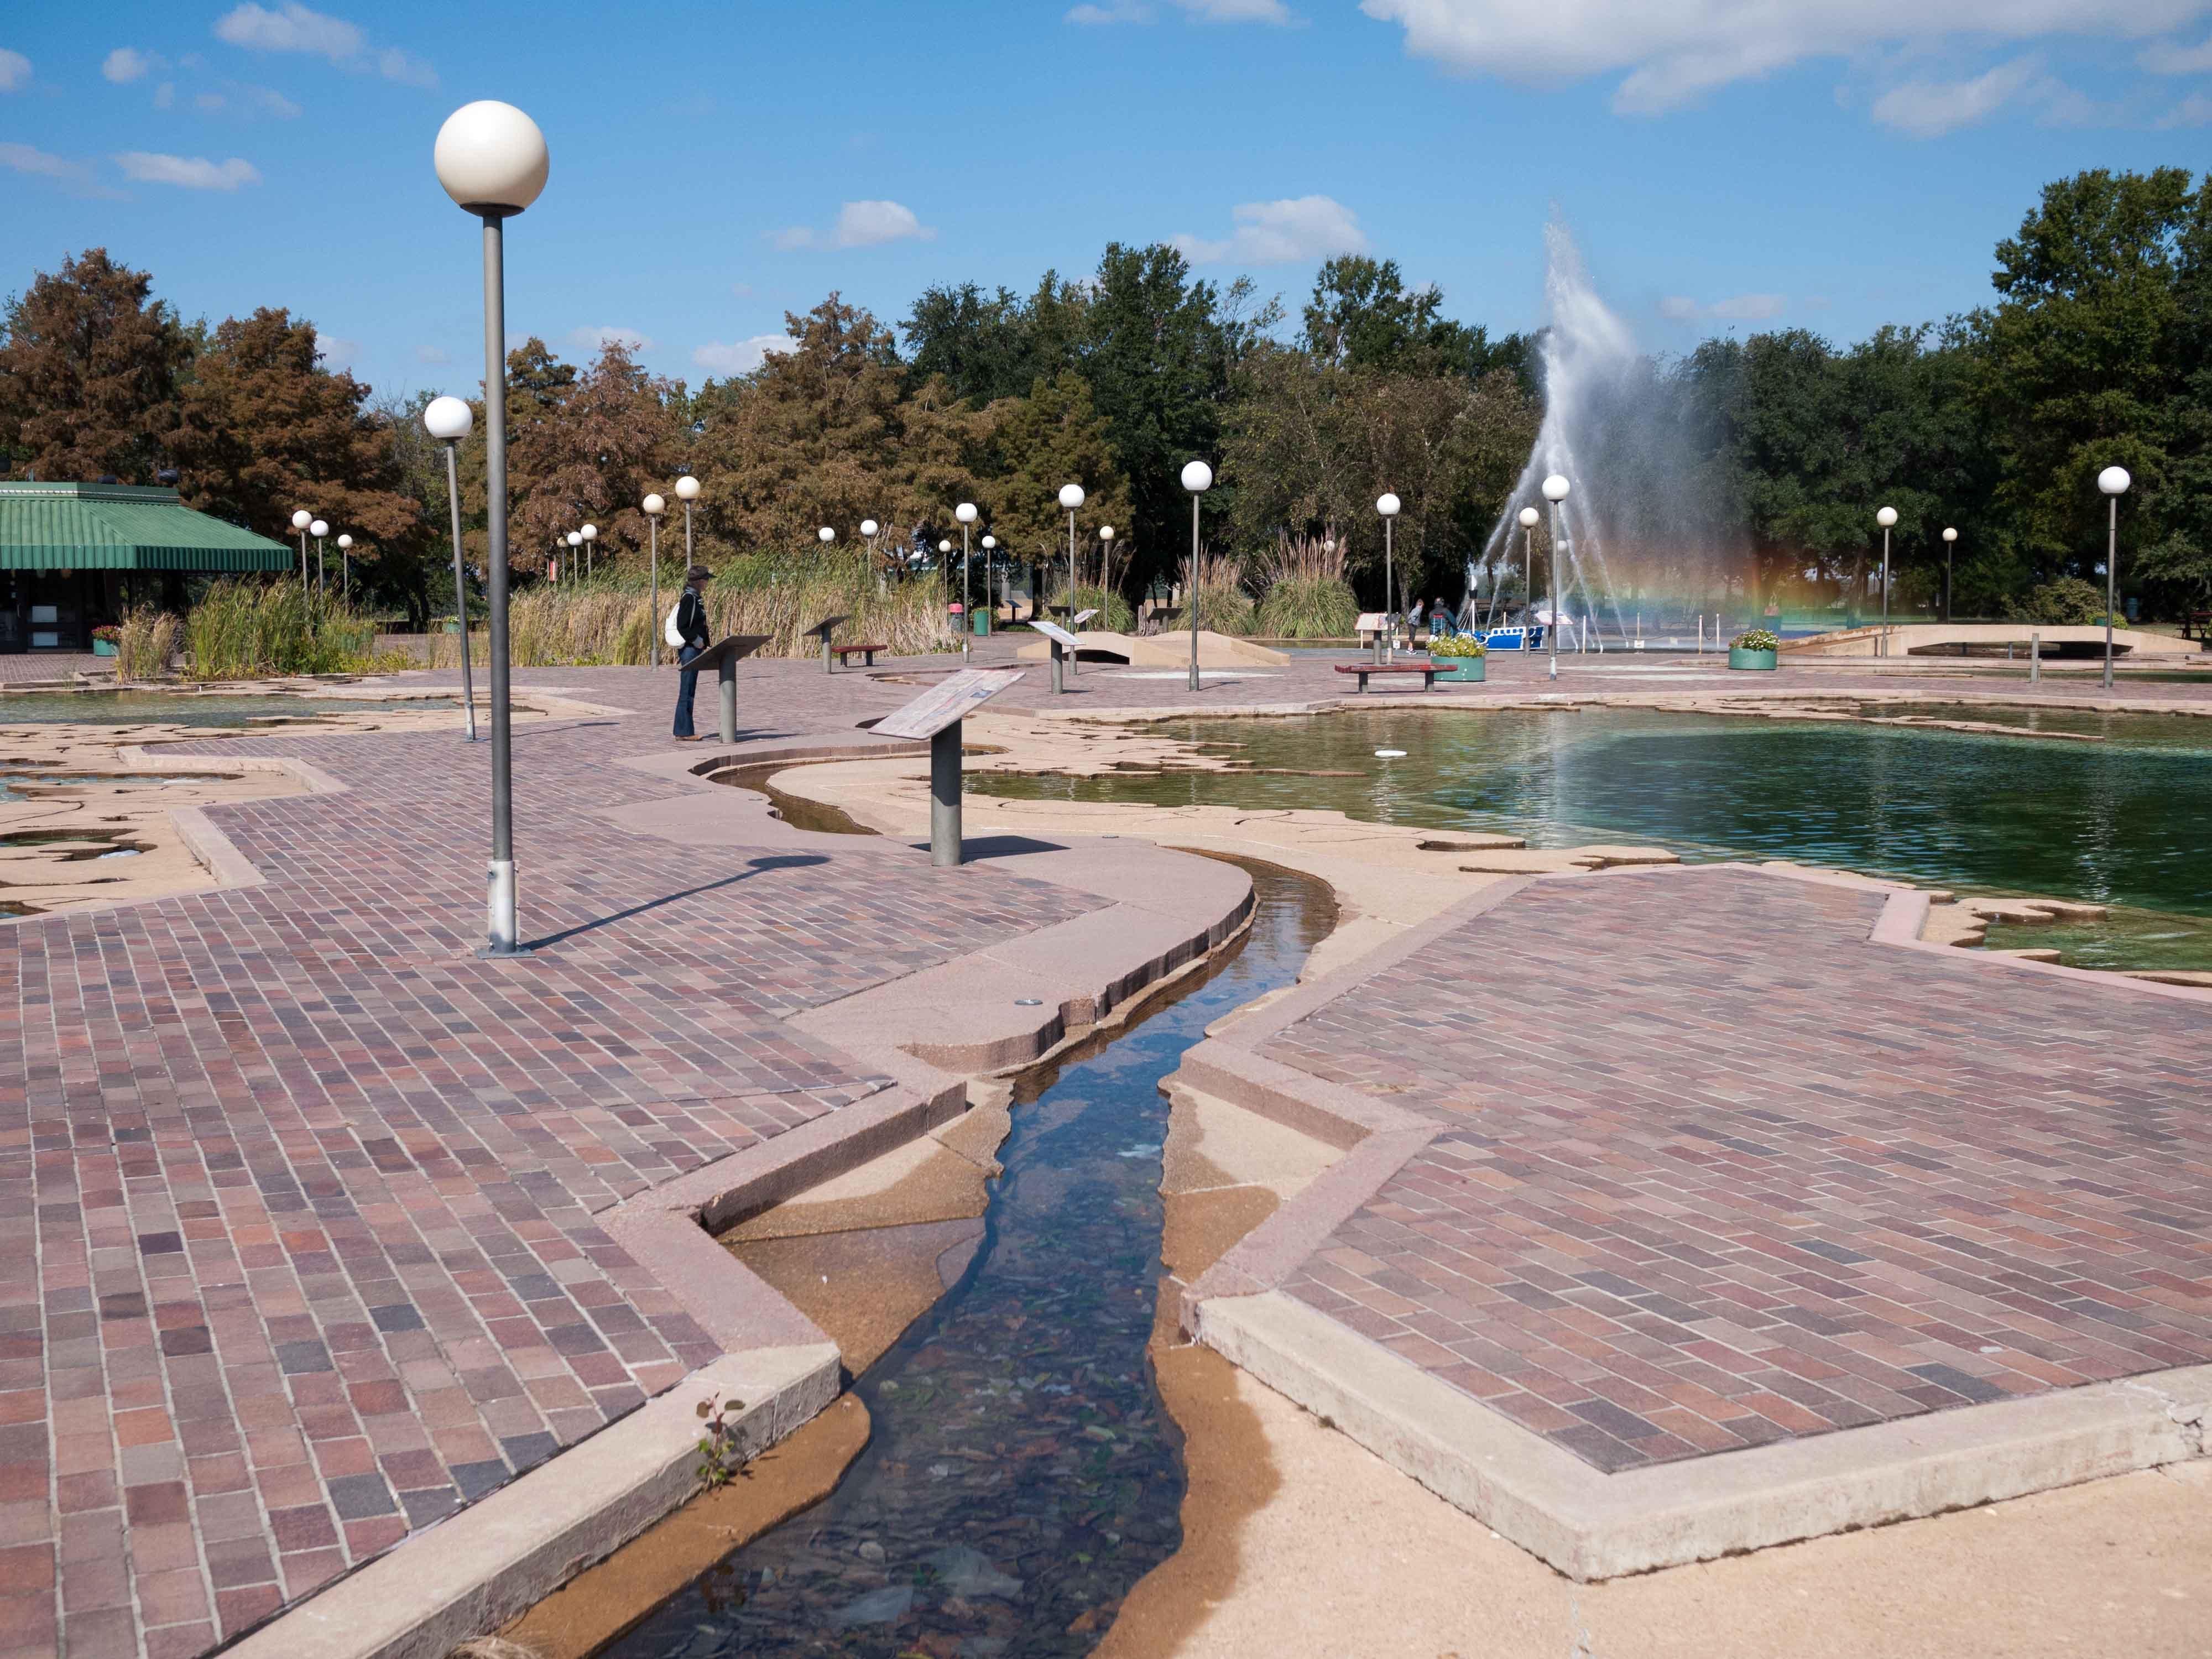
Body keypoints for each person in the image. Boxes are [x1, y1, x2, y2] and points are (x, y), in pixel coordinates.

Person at [671, 564, 712, 742]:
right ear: (699, 581)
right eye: (706, 580)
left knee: (689, 690)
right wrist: (697, 641)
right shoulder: (689, 598)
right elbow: (682, 626)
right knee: (687, 690)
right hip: (689, 651)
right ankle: (684, 732)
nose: (708, 583)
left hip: (693, 649)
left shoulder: (695, 598)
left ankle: (684, 730)